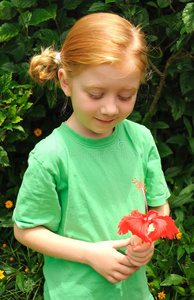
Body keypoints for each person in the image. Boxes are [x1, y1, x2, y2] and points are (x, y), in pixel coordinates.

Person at [13, 12, 170, 300]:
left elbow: (160, 210)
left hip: (133, 292)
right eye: (96, 94)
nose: (110, 108)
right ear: (65, 81)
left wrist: (147, 239)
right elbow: (26, 230)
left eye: (125, 96)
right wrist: (89, 254)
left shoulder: (140, 140)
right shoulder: (51, 156)